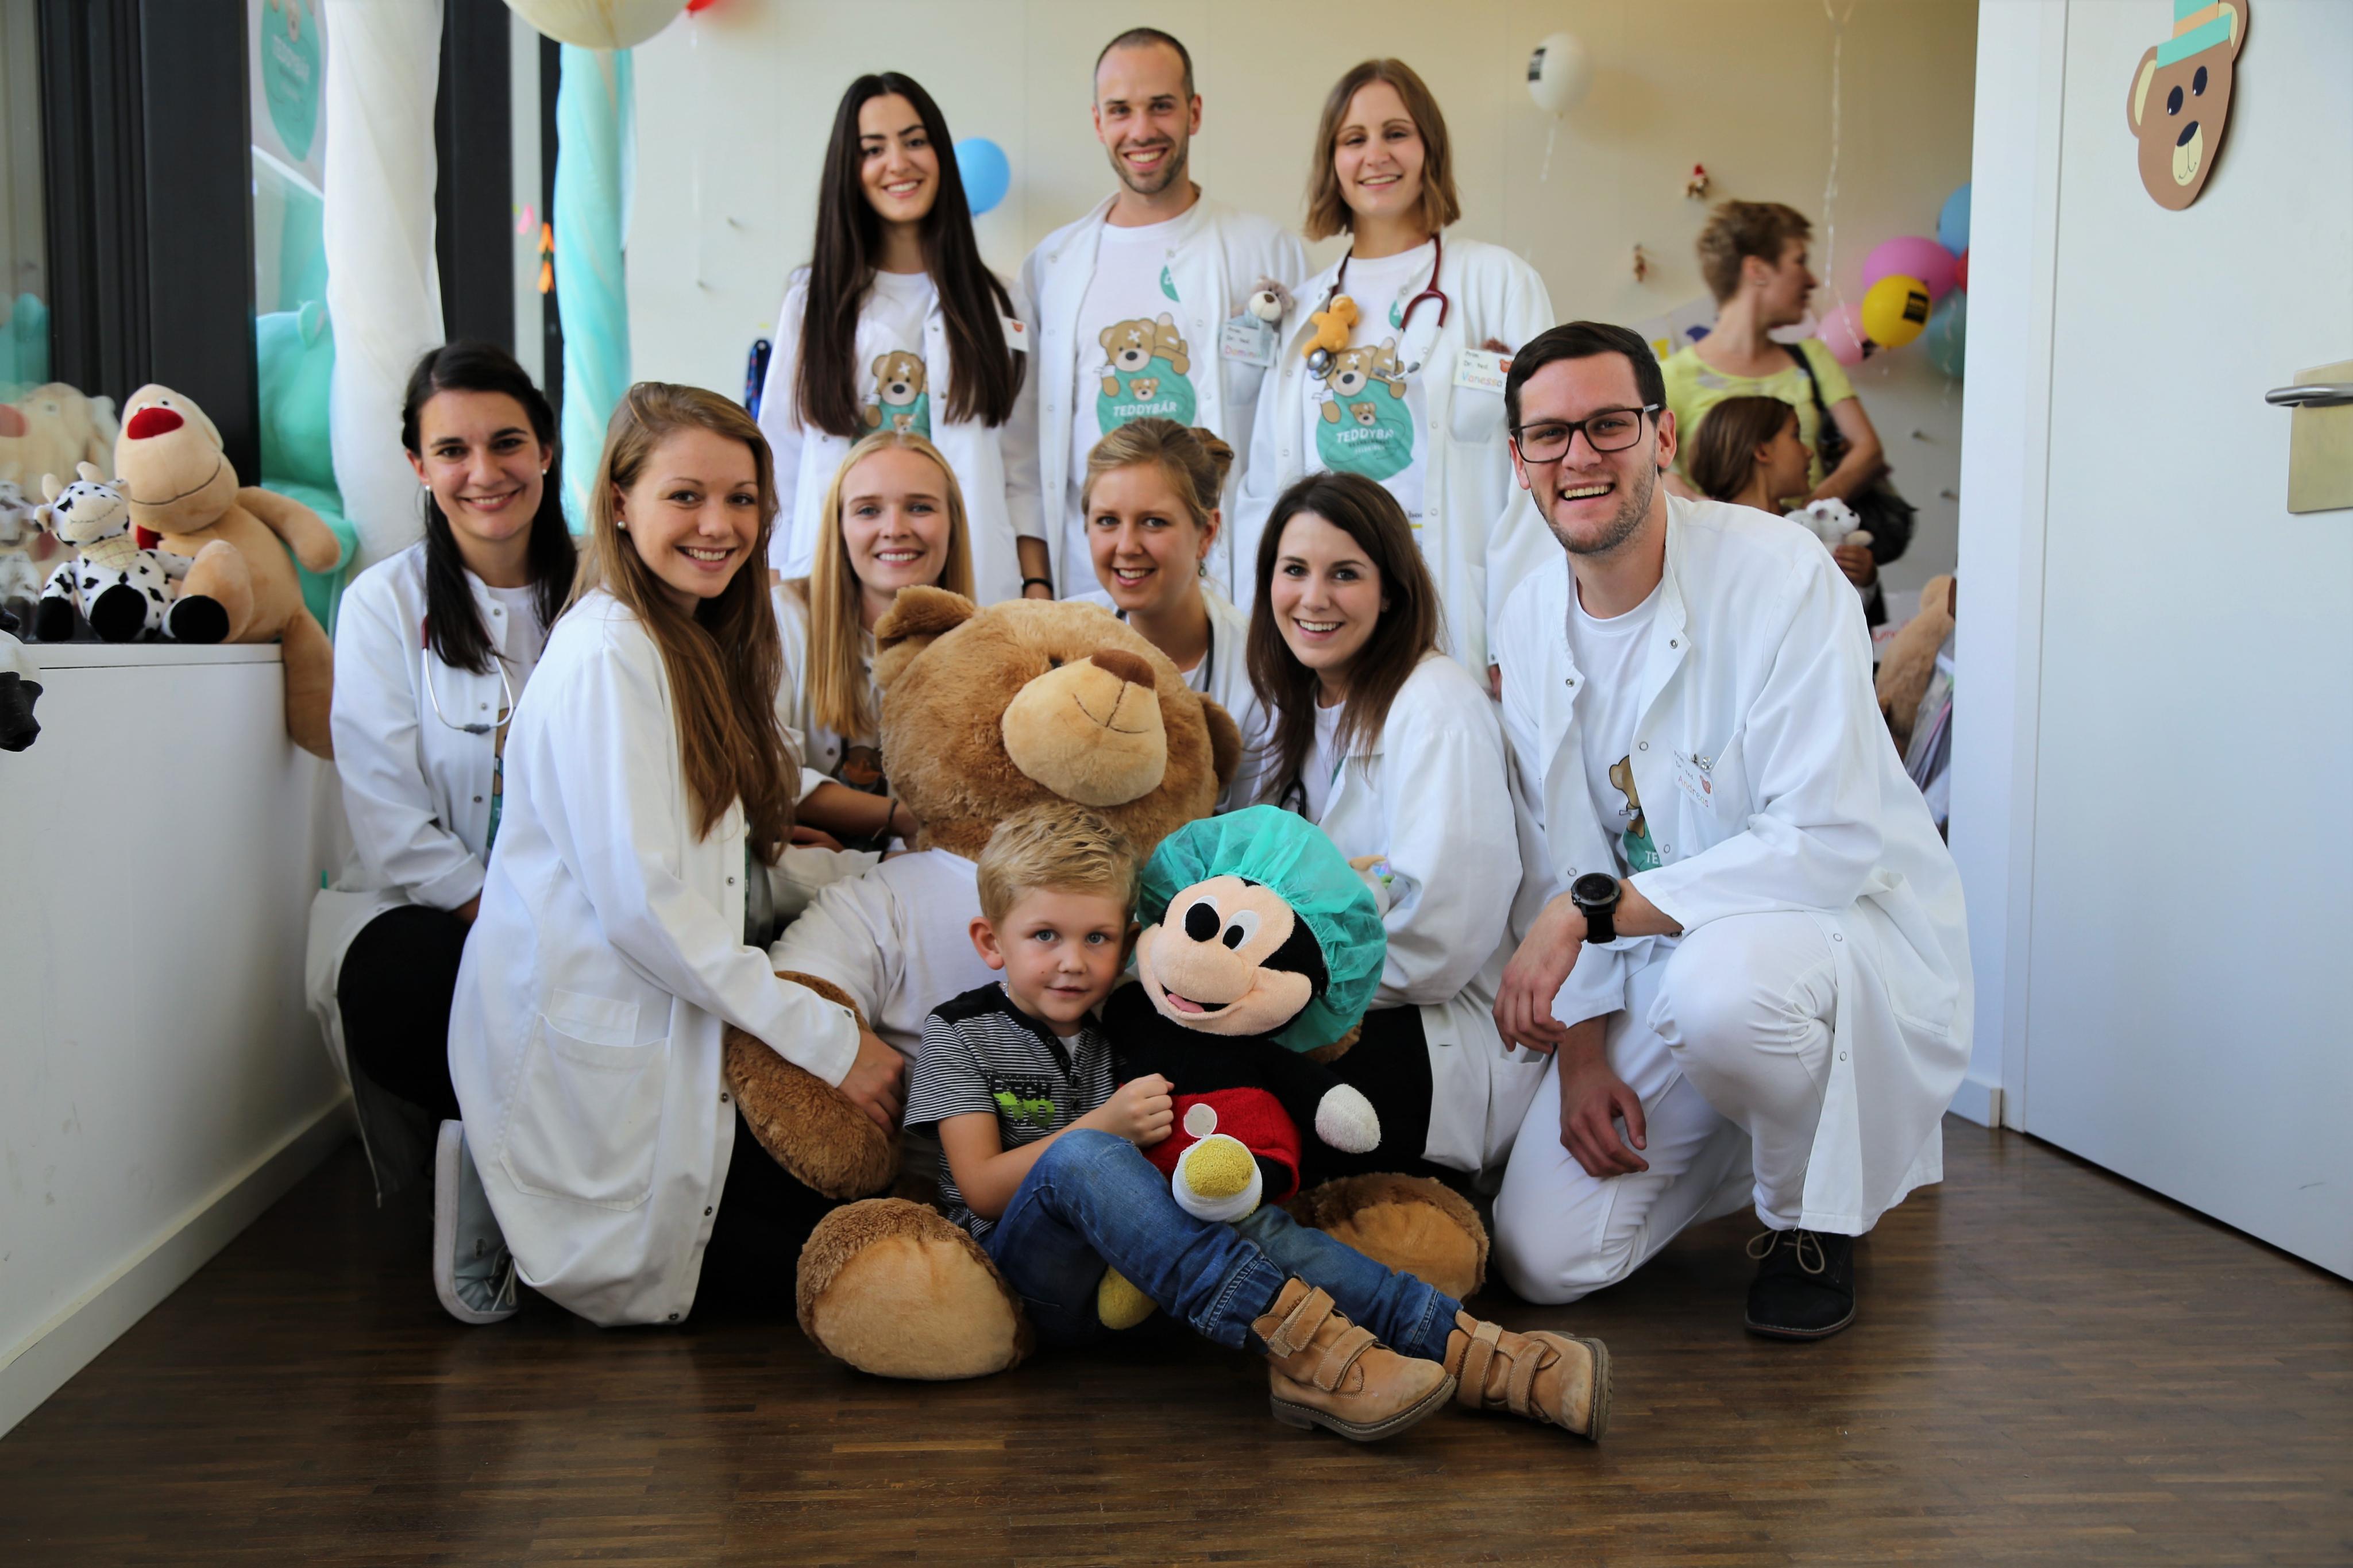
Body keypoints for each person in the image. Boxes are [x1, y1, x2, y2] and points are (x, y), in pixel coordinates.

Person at [1484, 322, 1970, 1339]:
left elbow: (1827, 840)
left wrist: (1589, 917)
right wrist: (1582, 1055)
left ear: (1663, 437)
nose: (1579, 456)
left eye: (1609, 425)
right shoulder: (1527, 615)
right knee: (1544, 1260)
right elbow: (1564, 849)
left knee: (1724, 995)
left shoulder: (1780, 574)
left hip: (1817, 931)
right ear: (1519, 460)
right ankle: (1770, 1128)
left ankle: (1809, 1219)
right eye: (1549, 435)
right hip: (1656, 954)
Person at [905, 802, 1608, 1442]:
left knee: (1238, 1213)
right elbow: (982, 1190)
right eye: (1044, 936)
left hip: (1152, 1270)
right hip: (1036, 1284)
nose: (1072, 962)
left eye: (1097, 938)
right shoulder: (959, 1032)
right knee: (1082, 1160)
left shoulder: (1129, 1021)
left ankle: (1482, 1354)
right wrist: (1105, 1126)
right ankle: (1306, 1353)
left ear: (1130, 940)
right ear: (991, 942)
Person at [445, 383, 906, 1328]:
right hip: (602, 1059)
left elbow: (724, 866)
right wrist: (832, 1045)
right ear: (620, 502)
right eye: (686, 496)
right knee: (829, 1255)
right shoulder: (607, 656)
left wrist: (890, 880)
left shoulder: (694, 642)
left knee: (860, 1214)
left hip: (671, 1017)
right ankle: (487, 1198)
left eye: (741, 499)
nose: (719, 525)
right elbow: (646, 906)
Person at [306, 342, 575, 1206]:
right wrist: (509, 920)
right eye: (453, 450)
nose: (483, 473)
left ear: (546, 449)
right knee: (406, 984)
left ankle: (567, 1193)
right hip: (441, 909)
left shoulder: (606, 595)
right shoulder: (383, 604)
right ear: (419, 467)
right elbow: (387, 814)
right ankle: (493, 1188)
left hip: (589, 903)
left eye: (507, 443)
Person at [1246, 471, 1544, 1184]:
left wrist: (1271, 990)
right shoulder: (1291, 706)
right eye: (1295, 570)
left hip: (1435, 1033)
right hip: (1332, 1007)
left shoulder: (1437, 708)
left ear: (1390, 592)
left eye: (1345, 574)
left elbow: (1439, 943)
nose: (1313, 598)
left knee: (1225, 1082)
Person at [1232, 58, 1556, 685]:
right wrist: (1265, 630)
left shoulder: (1497, 283)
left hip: (1455, 612)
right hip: (1325, 618)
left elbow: (1541, 474)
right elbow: (1266, 489)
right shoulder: (1304, 310)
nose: (1375, 155)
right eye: (1354, 139)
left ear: (1429, 146)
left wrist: (1517, 631)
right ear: (1332, 160)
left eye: (1396, 133)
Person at [1019, 27, 1306, 600]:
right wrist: (1038, 583)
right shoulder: (1052, 264)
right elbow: (1023, 444)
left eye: (1161, 106)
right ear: (1098, 122)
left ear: (1194, 113)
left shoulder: (1266, 250)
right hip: (1089, 584)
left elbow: (1296, 428)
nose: (1141, 130)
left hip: (1231, 580)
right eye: (1120, 111)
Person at [756, 73, 1040, 604]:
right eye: (873, 149)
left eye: (915, 141)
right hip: (834, 598)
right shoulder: (810, 302)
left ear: (941, 155)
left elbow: (1023, 469)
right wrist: (775, 605)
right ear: (850, 168)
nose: (898, 163)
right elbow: (780, 462)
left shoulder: (1001, 302)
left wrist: (1037, 590)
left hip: (976, 591)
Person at [1660, 201, 1899, 611]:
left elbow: (1868, 449)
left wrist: (1807, 521)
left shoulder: (1813, 358)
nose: (1811, 280)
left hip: (1812, 571)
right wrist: (1725, 521)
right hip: (1724, 583)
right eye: (1799, 261)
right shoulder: (1672, 376)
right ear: (1757, 270)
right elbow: (1651, 473)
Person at [774, 431, 968, 851]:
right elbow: (767, 775)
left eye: (920, 507)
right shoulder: (780, 620)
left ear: (953, 524)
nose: (895, 529)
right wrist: (904, 820)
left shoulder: (986, 645)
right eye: (868, 511)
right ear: (839, 528)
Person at [1071, 417, 1268, 807]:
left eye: (1154, 522)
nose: (1126, 546)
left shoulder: (1260, 675)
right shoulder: (1059, 639)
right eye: (1108, 521)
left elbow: (1256, 827)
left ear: (1207, 533)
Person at [1685, 395, 1814, 517]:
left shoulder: (1809, 524)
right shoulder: (1708, 530)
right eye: (1796, 436)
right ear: (1762, 451)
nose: (1810, 452)